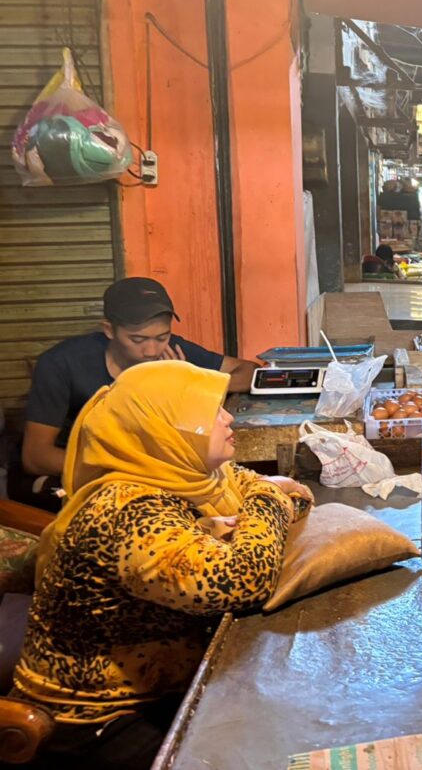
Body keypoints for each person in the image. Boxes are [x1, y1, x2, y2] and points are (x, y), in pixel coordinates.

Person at [14, 360, 312, 770]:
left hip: (167, 681)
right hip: (98, 718)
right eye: (212, 412)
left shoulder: (195, 476)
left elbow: (297, 497)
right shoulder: (129, 511)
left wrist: (262, 506)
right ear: (163, 431)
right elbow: (243, 579)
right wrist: (268, 499)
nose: (228, 418)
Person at [19, 278, 261, 507]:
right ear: (109, 330)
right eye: (137, 339)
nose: (151, 350)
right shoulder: (62, 364)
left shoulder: (171, 352)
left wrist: (188, 383)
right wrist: (133, 470)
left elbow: (249, 371)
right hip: (77, 473)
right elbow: (35, 457)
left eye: (162, 337)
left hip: (150, 474)